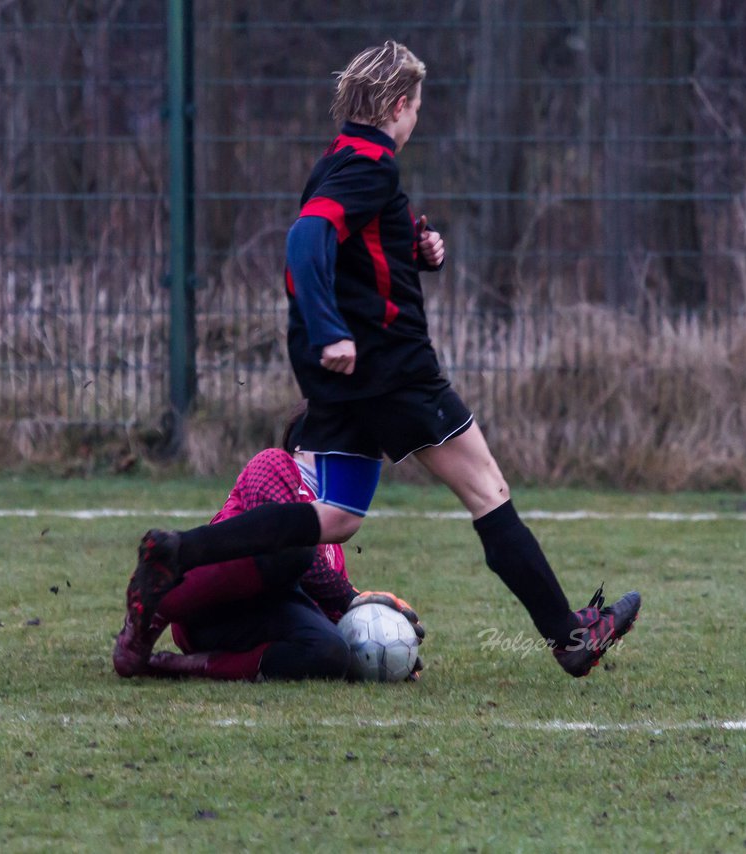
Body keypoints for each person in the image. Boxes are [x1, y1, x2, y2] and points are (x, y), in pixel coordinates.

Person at [120, 41, 640, 678]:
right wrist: (329, 328)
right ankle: (570, 636)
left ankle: (177, 552)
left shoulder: (339, 158)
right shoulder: (373, 166)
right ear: (399, 105)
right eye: (417, 105)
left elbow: (351, 245)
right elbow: (308, 237)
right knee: (489, 492)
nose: (417, 117)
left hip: (349, 381)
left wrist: (412, 248)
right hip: (393, 372)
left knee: (335, 519)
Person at [113, 410, 424, 681]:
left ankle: (185, 667)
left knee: (330, 652)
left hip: (252, 625)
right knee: (292, 546)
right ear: (304, 444)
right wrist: (351, 597)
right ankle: (148, 617)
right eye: (345, 446)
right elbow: (279, 542)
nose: (351, 459)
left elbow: (328, 609)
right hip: (204, 608)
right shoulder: (274, 463)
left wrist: (382, 646)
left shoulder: (333, 531)